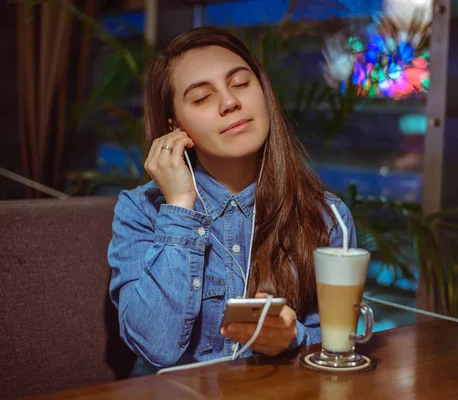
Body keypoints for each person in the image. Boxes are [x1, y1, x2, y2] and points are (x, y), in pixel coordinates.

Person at [107, 26, 357, 377]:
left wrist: (291, 336)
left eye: (240, 83)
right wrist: (180, 205)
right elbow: (156, 347)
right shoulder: (140, 210)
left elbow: (341, 343)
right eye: (201, 98)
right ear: (175, 126)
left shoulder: (327, 215)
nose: (230, 103)